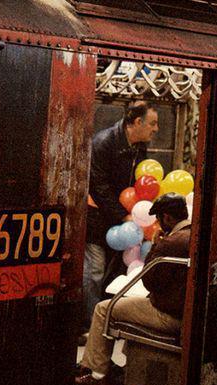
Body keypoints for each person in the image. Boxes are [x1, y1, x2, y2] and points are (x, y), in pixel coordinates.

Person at [76, 193, 191, 385]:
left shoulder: (170, 242)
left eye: (159, 219)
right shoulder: (192, 236)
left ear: (167, 218)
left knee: (104, 309)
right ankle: (106, 365)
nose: (157, 223)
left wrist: (156, 245)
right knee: (126, 306)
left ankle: (97, 373)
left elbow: (149, 280)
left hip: (167, 315)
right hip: (181, 312)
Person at [82, 102, 159, 333]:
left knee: (112, 272)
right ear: (137, 122)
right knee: (94, 271)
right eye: (153, 123)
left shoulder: (139, 147)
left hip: (123, 221)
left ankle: (108, 320)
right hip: (97, 216)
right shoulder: (104, 143)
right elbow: (98, 186)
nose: (156, 129)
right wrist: (123, 215)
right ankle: (90, 325)